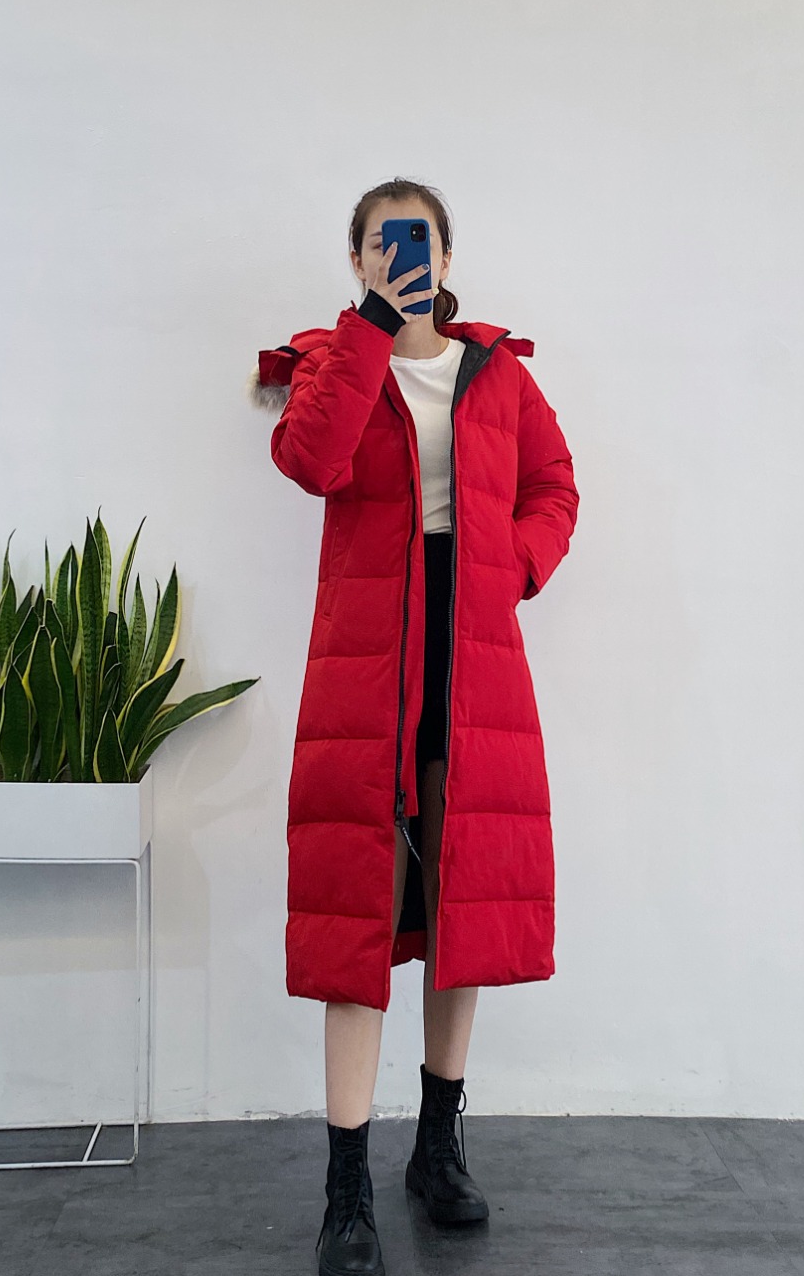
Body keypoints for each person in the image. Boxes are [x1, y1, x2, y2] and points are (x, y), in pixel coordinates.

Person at [251, 178, 579, 1276]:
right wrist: (368, 330)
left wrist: (512, 564)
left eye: (421, 239)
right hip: (368, 674)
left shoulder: (498, 374)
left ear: (446, 253)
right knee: (356, 918)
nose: (404, 254)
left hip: (471, 660)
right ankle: (346, 1188)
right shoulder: (333, 363)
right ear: (358, 259)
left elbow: (555, 486)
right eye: (384, 242)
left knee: (459, 903)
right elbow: (312, 461)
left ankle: (437, 1147)